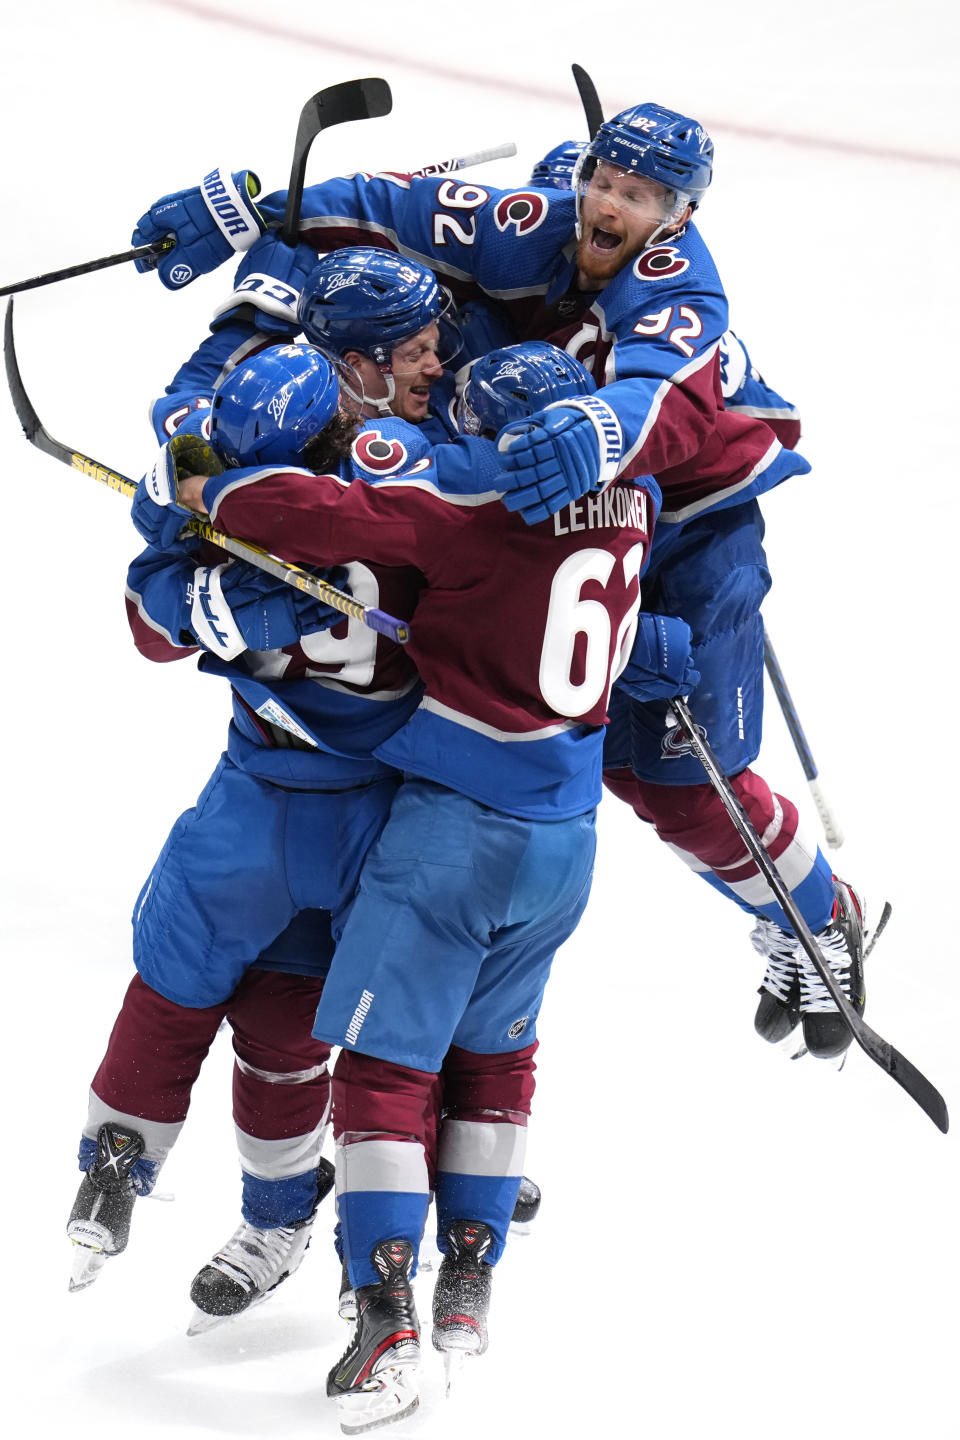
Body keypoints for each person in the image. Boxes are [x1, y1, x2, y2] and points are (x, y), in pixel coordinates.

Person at [130, 100, 867, 1060]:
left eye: (635, 195)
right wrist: (259, 209)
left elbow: (651, 411)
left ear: (678, 215)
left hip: (686, 524)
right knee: (527, 738)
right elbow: (376, 204)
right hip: (551, 517)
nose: (605, 203)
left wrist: (597, 434)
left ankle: (821, 917)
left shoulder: (682, 295)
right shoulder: (525, 229)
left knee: (680, 780)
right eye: (600, 181)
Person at [171, 333, 691, 1430]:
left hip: (457, 839)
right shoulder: (635, 491)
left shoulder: (469, 516)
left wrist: (204, 480)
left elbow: (305, 515)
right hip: (568, 842)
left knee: (379, 1076)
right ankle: (468, 1282)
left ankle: (385, 1325)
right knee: (498, 1054)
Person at [67, 344, 426, 1326]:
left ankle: (336, 1216)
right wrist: (167, 505)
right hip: (262, 793)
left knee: (312, 1028)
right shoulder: (244, 477)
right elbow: (153, 614)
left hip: (381, 809)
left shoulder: (412, 487)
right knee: (177, 973)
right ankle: (120, 1156)